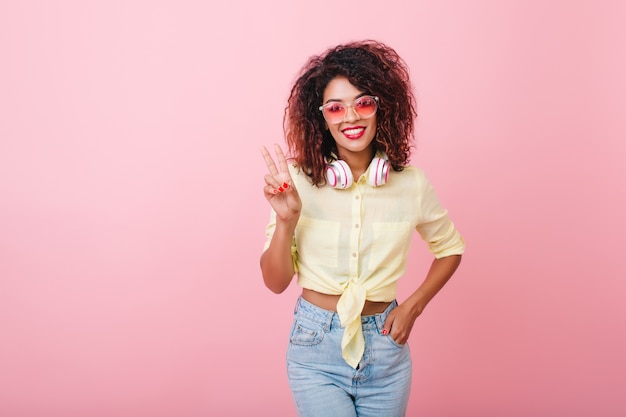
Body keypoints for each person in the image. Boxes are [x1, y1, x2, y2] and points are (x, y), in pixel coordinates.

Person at [260, 40, 465, 417]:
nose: (350, 117)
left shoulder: (412, 185)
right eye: (335, 107)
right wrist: (287, 221)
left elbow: (450, 249)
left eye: (363, 103)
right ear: (320, 117)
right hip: (315, 346)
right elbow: (274, 283)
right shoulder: (297, 183)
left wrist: (413, 308)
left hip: (386, 349)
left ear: (381, 106)